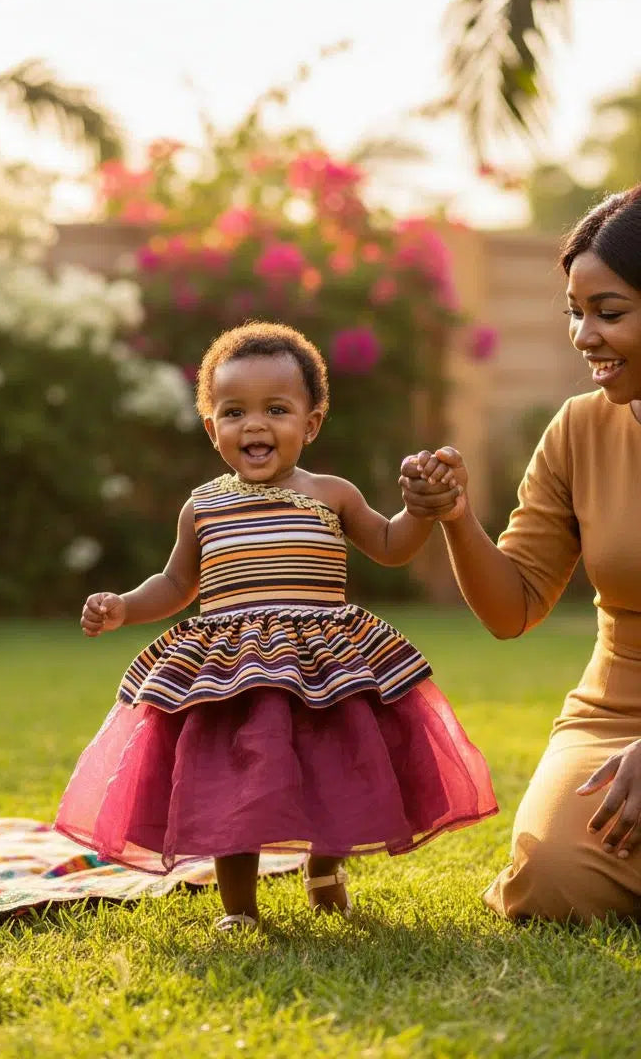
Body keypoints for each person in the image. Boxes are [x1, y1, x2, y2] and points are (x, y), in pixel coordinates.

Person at [56, 321, 496, 931]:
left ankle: (325, 869)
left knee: (333, 770)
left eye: (276, 410)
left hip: (322, 667)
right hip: (232, 673)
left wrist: (420, 511)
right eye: (234, 412)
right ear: (211, 428)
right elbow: (177, 584)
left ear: (310, 425)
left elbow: (391, 545)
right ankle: (239, 908)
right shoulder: (202, 506)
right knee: (235, 786)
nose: (255, 425)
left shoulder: (333, 495)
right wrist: (126, 606)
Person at [399, 185, 641, 923]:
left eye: (609, 313)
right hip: (617, 713)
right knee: (555, 877)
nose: (584, 336)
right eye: (574, 312)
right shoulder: (579, 429)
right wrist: (456, 518)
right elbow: (513, 609)